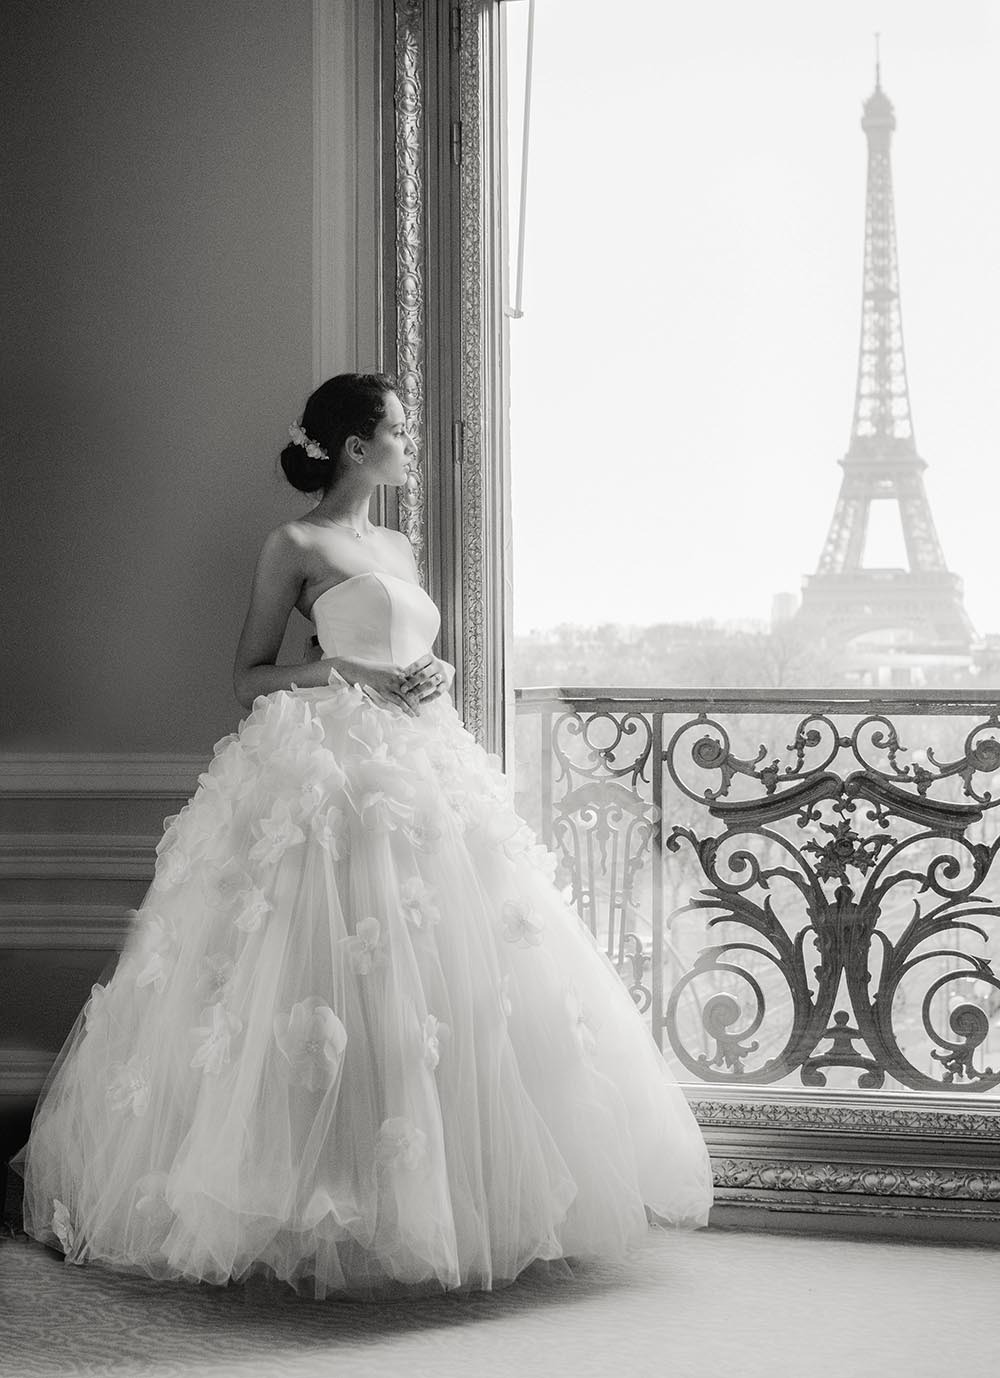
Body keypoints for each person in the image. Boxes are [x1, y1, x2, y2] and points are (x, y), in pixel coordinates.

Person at [16, 373, 713, 1300]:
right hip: (325, 765)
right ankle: (306, 1200)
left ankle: (423, 1200)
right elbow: (248, 676)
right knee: (312, 977)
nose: (410, 442)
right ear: (354, 448)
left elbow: (403, 648)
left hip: (417, 762)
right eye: (398, 429)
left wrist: (425, 676)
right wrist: (337, 666)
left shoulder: (394, 542)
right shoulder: (293, 543)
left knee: (442, 981)